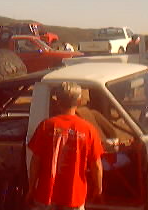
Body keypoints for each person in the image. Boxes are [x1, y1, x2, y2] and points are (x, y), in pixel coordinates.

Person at [27, 82, 103, 210]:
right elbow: (96, 165)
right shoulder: (88, 130)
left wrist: (31, 187)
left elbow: (35, 161)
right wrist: (98, 187)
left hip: (46, 193)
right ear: (79, 101)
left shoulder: (46, 126)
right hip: (74, 195)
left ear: (58, 101)